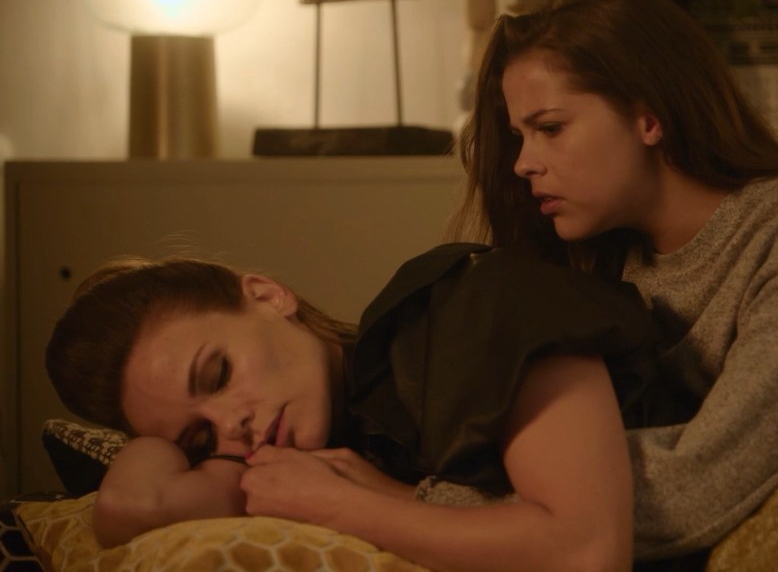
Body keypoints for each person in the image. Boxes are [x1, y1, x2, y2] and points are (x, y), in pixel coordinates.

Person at [440, 0, 778, 563]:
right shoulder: (608, 258)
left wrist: (436, 501)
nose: (523, 163)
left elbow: (696, 487)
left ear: (649, 119)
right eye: (520, 135)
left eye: (550, 128)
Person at [46, 242, 687, 571]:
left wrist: (346, 507)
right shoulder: (315, 459)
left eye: (218, 374)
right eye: (198, 440)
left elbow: (585, 553)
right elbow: (133, 507)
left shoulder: (467, 307)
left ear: (267, 297)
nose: (230, 427)